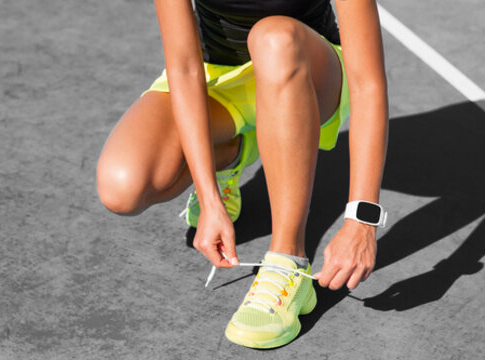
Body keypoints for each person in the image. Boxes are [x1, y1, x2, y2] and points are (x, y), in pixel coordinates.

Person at [95, 0, 388, 349]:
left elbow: (367, 83)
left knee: (273, 37)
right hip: (216, 79)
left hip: (308, 72)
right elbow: (185, 68)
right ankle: (236, 153)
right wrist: (209, 197)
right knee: (123, 188)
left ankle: (288, 260)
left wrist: (361, 221)